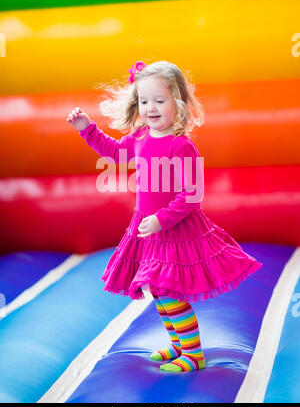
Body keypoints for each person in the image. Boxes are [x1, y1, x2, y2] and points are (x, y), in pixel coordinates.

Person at [66, 60, 262, 373]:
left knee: (169, 291)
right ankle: (177, 345)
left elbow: (192, 194)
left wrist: (162, 219)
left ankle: (194, 354)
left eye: (160, 100)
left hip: (174, 229)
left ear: (179, 103)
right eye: (144, 101)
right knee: (157, 290)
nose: (150, 108)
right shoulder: (142, 137)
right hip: (147, 229)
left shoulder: (181, 146)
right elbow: (116, 154)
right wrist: (87, 130)